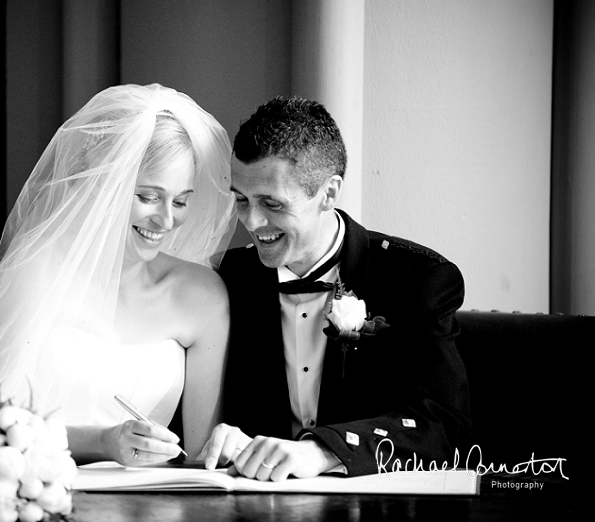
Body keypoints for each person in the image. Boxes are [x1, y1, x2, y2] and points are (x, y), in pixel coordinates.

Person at [0, 83, 236, 484]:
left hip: (149, 503)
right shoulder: (36, 271)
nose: (166, 221)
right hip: (28, 490)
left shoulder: (203, 296)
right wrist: (103, 442)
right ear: (103, 184)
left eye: (180, 201)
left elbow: (201, 457)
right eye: (148, 196)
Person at [198, 96, 470, 480]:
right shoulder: (226, 279)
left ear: (328, 193)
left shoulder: (416, 279)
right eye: (241, 200)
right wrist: (223, 438)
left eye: (272, 204)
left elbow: (444, 426)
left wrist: (324, 451)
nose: (253, 221)